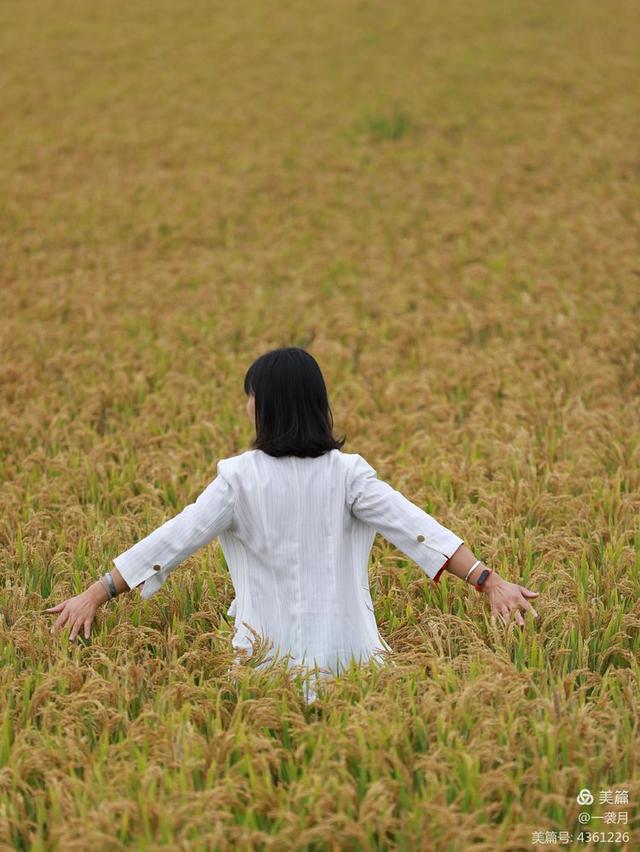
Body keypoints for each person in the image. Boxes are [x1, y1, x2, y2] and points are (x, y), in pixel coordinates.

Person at [44, 346, 540, 704]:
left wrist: (96, 592)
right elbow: (417, 530)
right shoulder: (348, 475)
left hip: (262, 672)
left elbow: (173, 539)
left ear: (267, 406)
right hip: (351, 667)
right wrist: (488, 581)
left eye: (251, 396)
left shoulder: (238, 479)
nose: (246, 405)